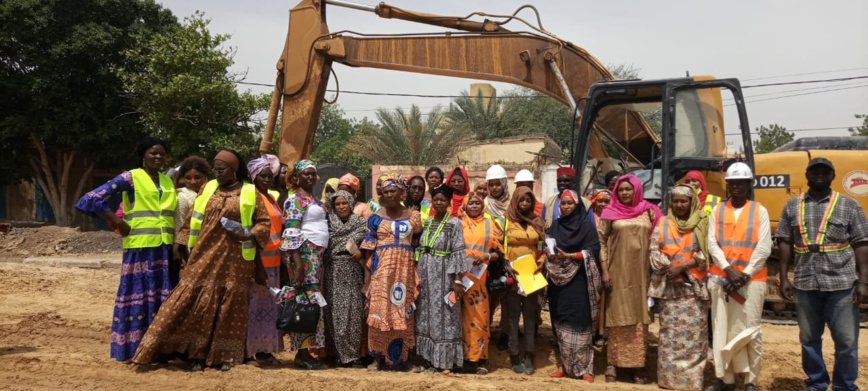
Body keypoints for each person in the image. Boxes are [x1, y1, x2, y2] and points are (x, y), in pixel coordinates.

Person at [132, 149, 270, 371]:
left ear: (233, 170)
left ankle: (224, 355)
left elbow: (264, 222)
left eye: (221, 169)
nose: (217, 173)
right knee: (194, 300)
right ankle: (194, 353)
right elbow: (190, 219)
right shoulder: (208, 188)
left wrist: (249, 234)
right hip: (204, 253)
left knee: (230, 308)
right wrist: (180, 244)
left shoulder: (250, 192)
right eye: (215, 169)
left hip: (237, 259)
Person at [75, 137, 177, 362]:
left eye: (162, 153)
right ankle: (131, 350)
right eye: (153, 153)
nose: (158, 157)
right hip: (139, 248)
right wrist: (117, 221)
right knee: (138, 297)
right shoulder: (130, 177)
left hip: (163, 249)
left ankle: (155, 349)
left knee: (160, 298)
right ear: (143, 155)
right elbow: (90, 199)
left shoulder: (168, 182)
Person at [776, 157, 868, 391]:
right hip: (806, 283)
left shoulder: (849, 205)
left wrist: (863, 281)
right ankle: (817, 383)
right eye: (814, 171)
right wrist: (784, 277)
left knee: (846, 341)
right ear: (806, 175)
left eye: (824, 171)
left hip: (842, 284)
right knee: (808, 339)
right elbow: (785, 241)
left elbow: (861, 244)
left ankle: (844, 386)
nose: (819, 175)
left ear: (832, 176)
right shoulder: (791, 206)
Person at [705, 162, 771, 391]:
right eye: (732, 183)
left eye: (740, 183)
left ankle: (751, 380)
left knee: (750, 329)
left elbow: (764, 247)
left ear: (748, 185)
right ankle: (727, 379)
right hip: (722, 279)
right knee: (721, 327)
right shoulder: (718, 210)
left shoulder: (759, 211)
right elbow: (712, 243)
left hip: (751, 281)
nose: (735, 187)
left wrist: (745, 273)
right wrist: (728, 269)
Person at [598, 173, 661, 384]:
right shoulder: (610, 213)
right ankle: (612, 364)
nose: (625, 193)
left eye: (628, 189)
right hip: (617, 272)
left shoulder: (650, 212)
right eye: (621, 190)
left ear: (637, 190)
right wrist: (605, 271)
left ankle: (637, 366)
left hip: (642, 274)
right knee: (617, 318)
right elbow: (601, 242)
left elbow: (659, 240)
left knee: (639, 319)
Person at [649, 184, 711, 391]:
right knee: (669, 337)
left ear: (691, 201)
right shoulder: (663, 222)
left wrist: (683, 268)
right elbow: (653, 252)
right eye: (675, 201)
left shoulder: (702, 223)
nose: (679, 205)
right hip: (670, 289)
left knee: (695, 338)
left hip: (694, 289)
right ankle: (669, 381)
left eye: (683, 201)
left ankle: (691, 382)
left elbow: (708, 252)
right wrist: (671, 270)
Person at [361, 177, 422, 371]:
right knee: (379, 310)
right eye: (386, 192)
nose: (389, 195)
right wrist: (366, 281)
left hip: (404, 271)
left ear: (402, 192)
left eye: (393, 191)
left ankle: (401, 358)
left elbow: (417, 243)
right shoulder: (375, 218)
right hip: (382, 270)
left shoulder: (413, 217)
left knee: (403, 310)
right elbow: (369, 249)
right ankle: (378, 357)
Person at [545, 190, 602, 382]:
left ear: (577, 205)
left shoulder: (586, 227)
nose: (566, 207)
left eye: (570, 203)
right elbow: (549, 246)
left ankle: (585, 368)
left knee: (580, 320)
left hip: (579, 279)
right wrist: (550, 253)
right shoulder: (556, 225)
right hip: (558, 281)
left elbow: (593, 250)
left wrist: (569, 256)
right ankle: (565, 366)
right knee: (560, 320)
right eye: (563, 204)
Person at [413, 185, 468, 372]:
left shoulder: (455, 223)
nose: (438, 202)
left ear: (448, 202)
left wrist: (458, 280)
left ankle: (444, 362)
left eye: (442, 200)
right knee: (426, 316)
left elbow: (458, 252)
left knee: (445, 316)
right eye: (435, 199)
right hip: (426, 275)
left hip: (445, 276)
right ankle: (429, 359)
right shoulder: (427, 223)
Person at [281, 159, 330, 369]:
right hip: (304, 255)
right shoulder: (295, 200)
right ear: (297, 177)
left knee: (313, 302)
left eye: (313, 174)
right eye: (306, 174)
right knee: (304, 303)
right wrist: (299, 265)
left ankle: (308, 350)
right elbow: (291, 232)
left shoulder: (315, 200)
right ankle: (302, 353)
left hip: (315, 256)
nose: (311, 177)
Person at [502, 186, 547, 375]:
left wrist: (542, 261)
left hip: (531, 275)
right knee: (512, 316)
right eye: (521, 200)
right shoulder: (505, 221)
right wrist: (506, 264)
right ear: (515, 201)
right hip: (513, 275)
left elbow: (543, 245)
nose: (525, 204)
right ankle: (513, 353)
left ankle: (529, 354)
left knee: (530, 315)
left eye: (528, 201)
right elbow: (499, 244)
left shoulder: (537, 222)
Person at [245, 156, 284, 365]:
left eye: (270, 176)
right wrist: (257, 266)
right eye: (263, 176)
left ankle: (265, 350)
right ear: (254, 177)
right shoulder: (253, 198)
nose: (268, 179)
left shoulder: (271, 197)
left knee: (268, 308)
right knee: (254, 308)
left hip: (274, 261)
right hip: (258, 262)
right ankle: (249, 351)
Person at [322, 190, 368, 367]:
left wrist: (361, 252)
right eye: (337, 204)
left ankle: (353, 355)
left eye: (344, 203)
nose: (341, 207)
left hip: (353, 271)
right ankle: (338, 354)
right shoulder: (328, 224)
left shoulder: (359, 223)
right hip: (333, 271)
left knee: (353, 314)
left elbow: (368, 244)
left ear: (350, 203)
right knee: (334, 313)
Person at [459, 191, 503, 374]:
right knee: (459, 320)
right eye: (471, 203)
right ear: (465, 205)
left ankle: (479, 359)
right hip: (460, 279)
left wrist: (486, 256)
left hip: (479, 281)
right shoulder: (457, 224)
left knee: (480, 319)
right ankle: (461, 359)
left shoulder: (490, 224)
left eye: (478, 203)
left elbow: (499, 253)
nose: (475, 206)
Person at [483, 164, 511, 351]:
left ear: (504, 184)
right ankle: (486, 332)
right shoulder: (483, 203)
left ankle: (504, 333)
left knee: (507, 298)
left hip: (507, 257)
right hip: (487, 258)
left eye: (497, 184)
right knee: (488, 297)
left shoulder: (512, 205)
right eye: (491, 184)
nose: (494, 188)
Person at [171, 156, 209, 286]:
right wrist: (183, 258)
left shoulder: (212, 193)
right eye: (188, 178)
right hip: (190, 251)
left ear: (205, 176)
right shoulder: (183, 197)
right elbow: (180, 227)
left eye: (197, 177)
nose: (193, 182)